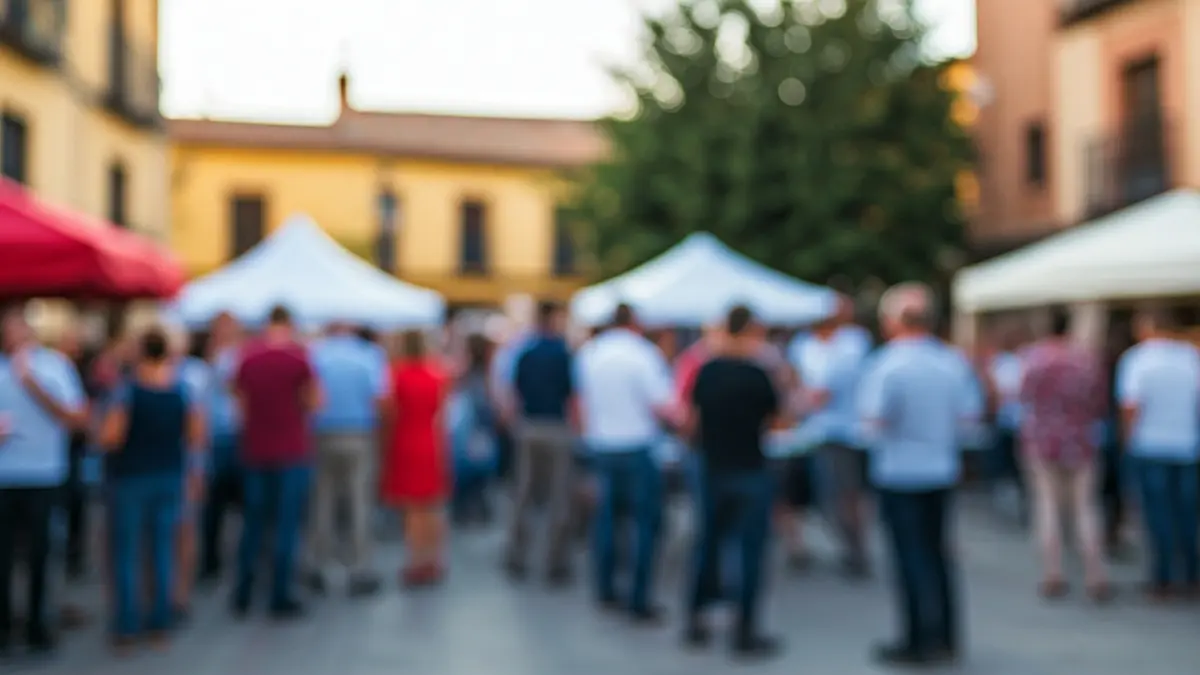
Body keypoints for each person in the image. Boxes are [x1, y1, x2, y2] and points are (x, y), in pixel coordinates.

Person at [857, 283, 980, 666]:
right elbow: (970, 418)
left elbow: (873, 422)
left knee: (910, 558)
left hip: (900, 473)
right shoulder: (950, 361)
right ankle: (946, 636)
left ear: (893, 321)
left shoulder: (888, 364)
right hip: (939, 470)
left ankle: (916, 640)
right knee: (938, 555)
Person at [98, 327, 205, 651]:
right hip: (169, 475)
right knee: (161, 549)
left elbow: (111, 437)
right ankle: (160, 620)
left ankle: (127, 624)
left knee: (127, 552)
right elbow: (196, 435)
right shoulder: (182, 389)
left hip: (132, 477)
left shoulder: (127, 391)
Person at [684, 305, 782, 657]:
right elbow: (777, 421)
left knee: (707, 545)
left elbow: (691, 423)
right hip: (750, 469)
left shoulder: (707, 371)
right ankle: (745, 629)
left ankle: (695, 619)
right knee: (750, 553)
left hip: (713, 468)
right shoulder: (759, 375)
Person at [575, 303, 675, 624]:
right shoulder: (643, 354)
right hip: (637, 446)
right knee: (644, 524)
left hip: (601, 445)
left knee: (606, 520)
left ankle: (605, 588)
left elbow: (579, 403)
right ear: (634, 322)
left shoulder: (590, 353)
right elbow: (662, 404)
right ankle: (639, 597)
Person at [0, 304, 86, 656]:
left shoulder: (54, 367)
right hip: (5, 477)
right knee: (3, 559)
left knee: (40, 554)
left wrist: (33, 385)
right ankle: (5, 627)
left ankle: (38, 624)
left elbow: (77, 419)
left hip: (43, 475)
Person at [232, 305, 321, 619]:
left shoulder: (247, 357)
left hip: (256, 450)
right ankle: (279, 593)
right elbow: (314, 402)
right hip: (291, 451)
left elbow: (239, 405)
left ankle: (243, 590)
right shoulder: (299, 359)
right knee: (286, 525)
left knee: (253, 523)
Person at [1018, 306, 1110, 602]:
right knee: (1085, 506)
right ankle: (1095, 573)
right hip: (1080, 437)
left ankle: (1053, 572)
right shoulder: (1086, 359)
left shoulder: (1034, 358)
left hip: (1042, 439)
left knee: (1047, 506)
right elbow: (1100, 401)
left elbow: (1022, 396)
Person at [1116, 304, 1200, 600]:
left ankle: (1162, 580)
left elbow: (1130, 408)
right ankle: (1191, 576)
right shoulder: (1190, 357)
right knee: (1188, 515)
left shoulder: (1138, 360)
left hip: (1150, 445)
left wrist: (1126, 442)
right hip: (1187, 446)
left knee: (1158, 516)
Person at [306, 322, 390, 597]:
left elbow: (309, 397)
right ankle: (360, 568)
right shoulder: (369, 355)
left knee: (322, 501)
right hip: (359, 433)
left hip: (322, 433)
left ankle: (319, 565)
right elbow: (381, 398)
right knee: (359, 502)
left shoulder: (317, 354)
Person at [505, 301, 578, 584]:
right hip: (555, 426)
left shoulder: (526, 353)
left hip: (529, 425)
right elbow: (572, 395)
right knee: (559, 496)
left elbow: (514, 392)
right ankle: (555, 561)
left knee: (523, 493)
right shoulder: (563, 354)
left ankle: (517, 555)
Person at [793, 310, 870, 577]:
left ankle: (856, 551)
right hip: (816, 434)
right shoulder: (806, 345)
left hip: (842, 435)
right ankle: (852, 550)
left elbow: (819, 393)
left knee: (844, 497)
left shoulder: (851, 344)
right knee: (833, 497)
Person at [382, 330, 450, 586]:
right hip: (430, 439)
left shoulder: (396, 374)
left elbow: (389, 412)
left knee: (412, 507)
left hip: (406, 439)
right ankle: (433, 557)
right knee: (432, 504)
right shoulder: (438, 374)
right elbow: (442, 410)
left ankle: (416, 559)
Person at [199, 312, 243, 583]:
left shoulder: (236, 357)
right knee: (212, 505)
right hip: (215, 438)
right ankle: (211, 560)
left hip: (234, 436)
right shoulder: (209, 361)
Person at [451, 334, 497, 526]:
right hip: (476, 429)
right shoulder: (483, 376)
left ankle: (466, 510)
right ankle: (476, 509)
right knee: (477, 471)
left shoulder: (465, 374)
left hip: (468, 430)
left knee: (466, 471)